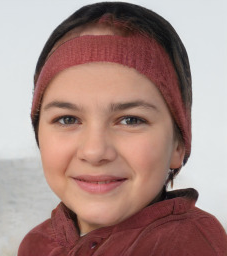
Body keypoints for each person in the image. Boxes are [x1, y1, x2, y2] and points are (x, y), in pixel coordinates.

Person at [18, 2, 227, 255]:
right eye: (68, 119)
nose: (95, 151)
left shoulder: (187, 245)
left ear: (178, 145)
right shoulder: (36, 243)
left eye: (130, 120)